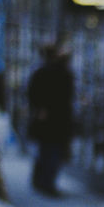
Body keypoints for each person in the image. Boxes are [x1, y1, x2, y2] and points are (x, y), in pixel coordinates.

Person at [27, 41, 74, 196]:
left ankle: (41, 181)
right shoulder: (55, 73)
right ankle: (45, 183)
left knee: (46, 152)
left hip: (52, 120)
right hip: (54, 120)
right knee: (50, 152)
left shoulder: (47, 72)